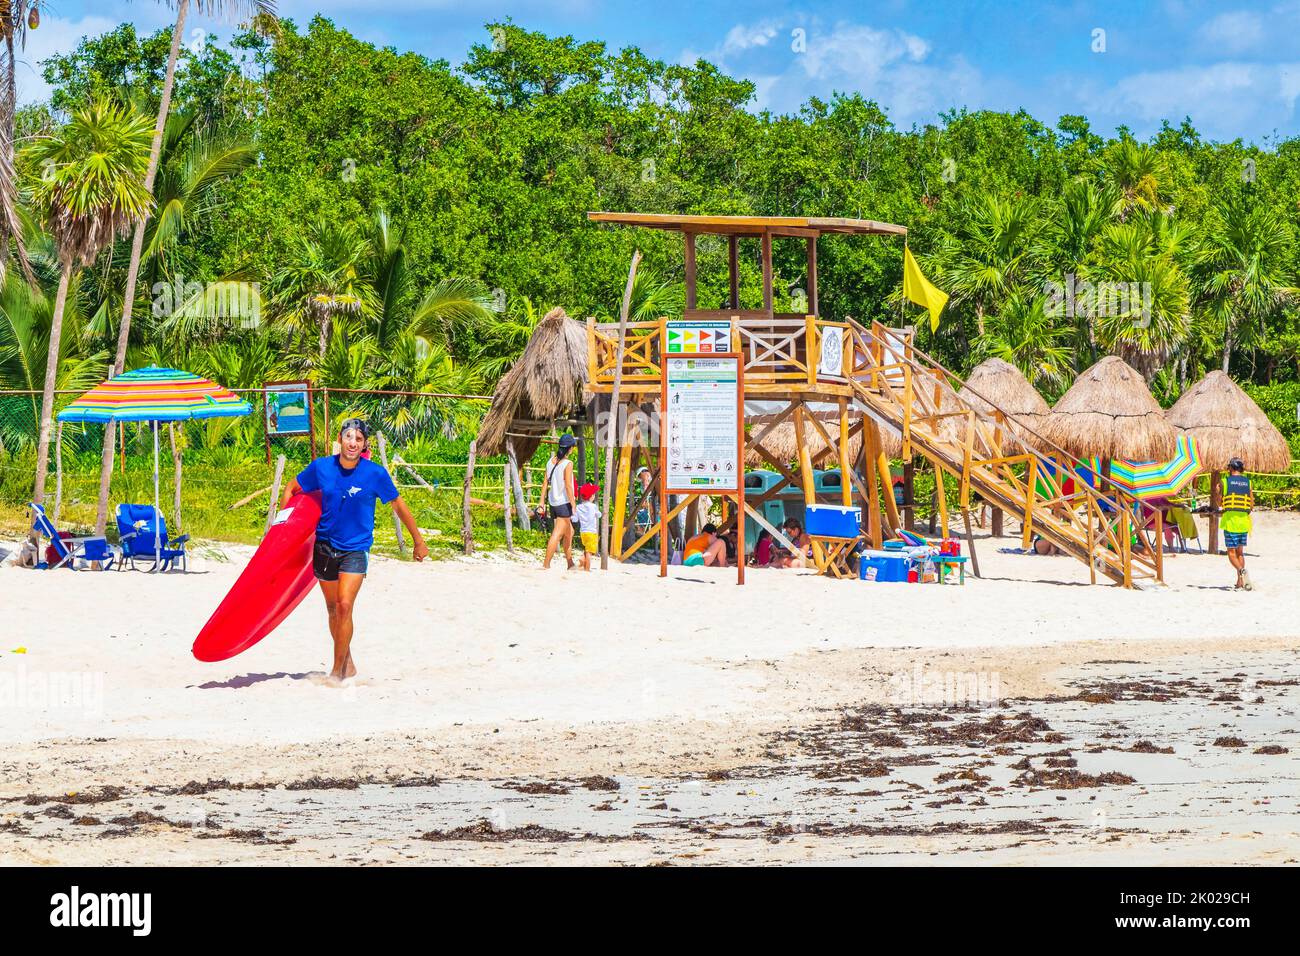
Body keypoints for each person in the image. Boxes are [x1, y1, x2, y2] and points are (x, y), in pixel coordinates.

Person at [280, 418, 427, 684]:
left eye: (358, 439)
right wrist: (281, 530)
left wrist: (418, 540)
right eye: (349, 437)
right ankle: (348, 664)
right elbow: (292, 488)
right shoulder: (321, 467)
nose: (353, 443)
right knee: (333, 610)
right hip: (324, 546)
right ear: (340, 439)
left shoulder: (375, 474)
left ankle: (337, 672)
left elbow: (398, 504)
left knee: (345, 605)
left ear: (364, 445)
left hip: (356, 549)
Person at [538, 433, 577, 570]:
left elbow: (544, 483)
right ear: (570, 448)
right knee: (557, 534)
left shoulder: (550, 461)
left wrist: (541, 502)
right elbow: (568, 486)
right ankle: (546, 564)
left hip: (553, 502)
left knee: (570, 532)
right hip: (563, 503)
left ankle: (570, 563)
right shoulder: (568, 463)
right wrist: (573, 505)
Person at [1220, 457, 1254, 590]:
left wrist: (1218, 494)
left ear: (1231, 468)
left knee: (1231, 553)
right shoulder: (1249, 483)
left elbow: (1220, 503)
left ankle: (1241, 570)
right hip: (1244, 522)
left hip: (1230, 521)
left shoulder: (1224, 482)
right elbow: (1251, 504)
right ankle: (1240, 582)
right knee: (1240, 553)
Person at [574, 482, 601, 571]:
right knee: (590, 552)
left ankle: (582, 559)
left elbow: (575, 519)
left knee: (587, 549)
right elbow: (599, 515)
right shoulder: (593, 506)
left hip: (583, 532)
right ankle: (587, 569)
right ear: (592, 496)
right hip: (591, 532)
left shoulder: (578, 507)